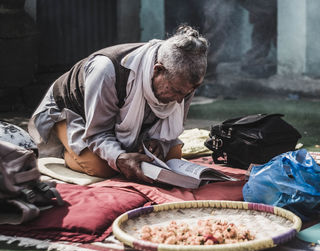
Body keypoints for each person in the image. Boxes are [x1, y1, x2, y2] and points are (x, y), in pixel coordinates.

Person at [28, 25, 209, 183]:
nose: (179, 100)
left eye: (187, 93)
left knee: (173, 154)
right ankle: (67, 149)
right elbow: (98, 132)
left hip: (112, 122)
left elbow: (168, 134)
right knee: (101, 167)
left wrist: (158, 143)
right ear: (158, 70)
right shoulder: (106, 71)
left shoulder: (184, 83)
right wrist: (120, 157)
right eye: (176, 91)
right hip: (75, 114)